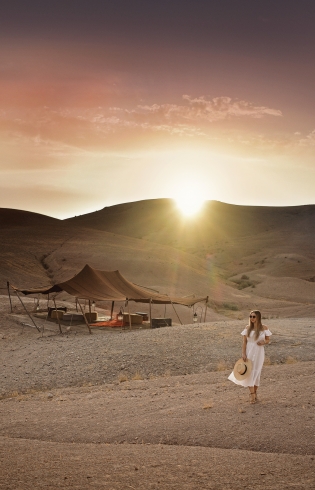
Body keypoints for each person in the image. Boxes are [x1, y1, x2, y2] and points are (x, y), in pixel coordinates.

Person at [228, 310, 272, 404]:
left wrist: (263, 342)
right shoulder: (247, 328)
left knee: (257, 373)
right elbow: (244, 342)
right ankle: (252, 395)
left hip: (259, 352)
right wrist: (243, 353)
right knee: (249, 373)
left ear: (258, 317)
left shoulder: (264, 328)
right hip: (249, 352)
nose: (252, 318)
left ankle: (255, 393)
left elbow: (268, 340)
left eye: (254, 316)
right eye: (250, 316)